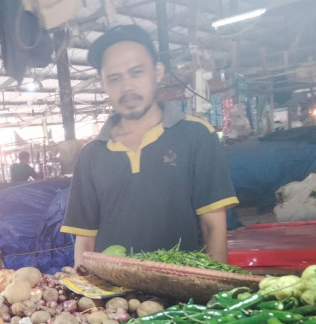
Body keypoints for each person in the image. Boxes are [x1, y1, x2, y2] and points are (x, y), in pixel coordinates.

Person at [61, 24, 238, 266]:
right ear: (103, 85)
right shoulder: (91, 155)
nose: (127, 87)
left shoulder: (196, 136)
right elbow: (85, 242)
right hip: (112, 298)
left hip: (180, 295)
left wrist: (216, 295)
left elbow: (213, 227)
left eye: (136, 72)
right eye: (114, 78)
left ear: (157, 73)